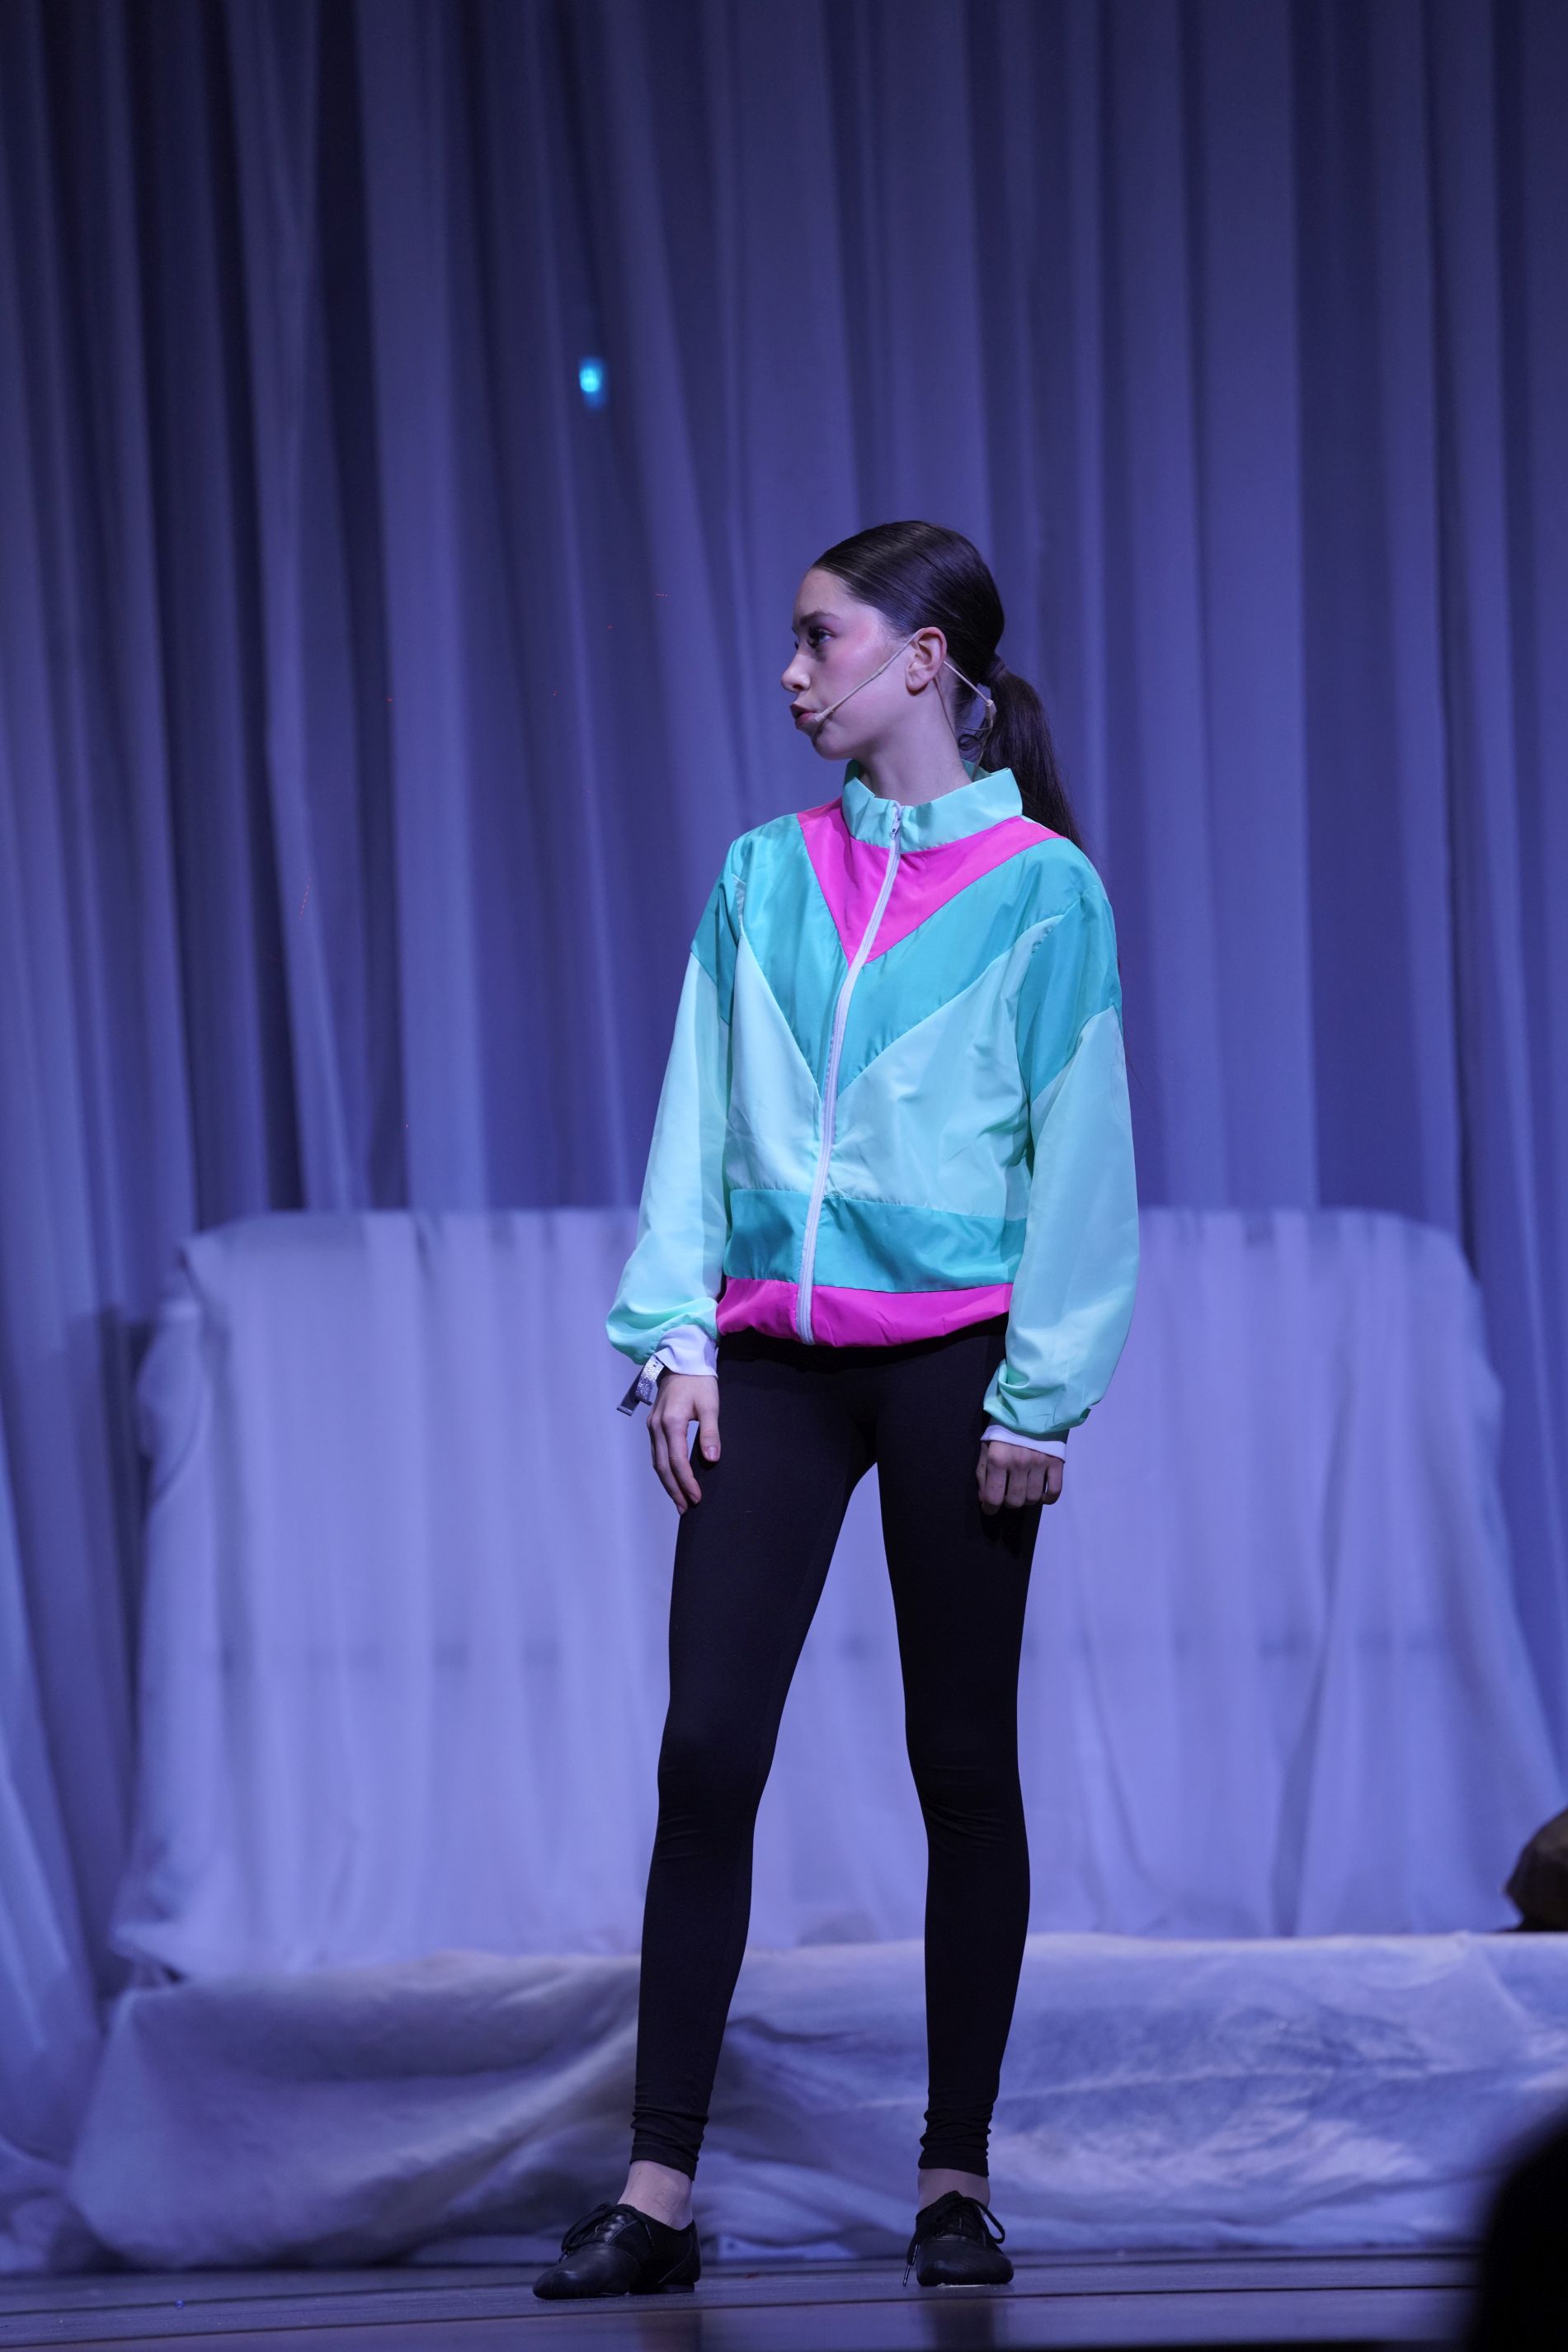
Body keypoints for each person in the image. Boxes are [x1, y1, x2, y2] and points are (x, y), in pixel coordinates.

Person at [533, 520, 1140, 2299]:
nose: (794, 673)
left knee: (961, 1762)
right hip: (775, 1366)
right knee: (706, 1752)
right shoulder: (762, 875)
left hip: (958, 1370)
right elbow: (693, 1116)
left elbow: (1083, 1156)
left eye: (824, 638)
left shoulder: (1042, 892)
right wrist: (674, 1338)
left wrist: (1043, 1395)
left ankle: (952, 2180)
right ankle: (655, 2192)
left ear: (925, 658)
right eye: (795, 642)